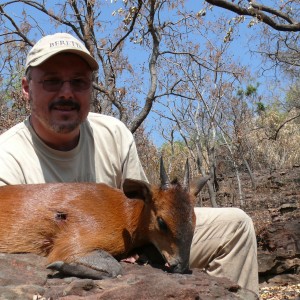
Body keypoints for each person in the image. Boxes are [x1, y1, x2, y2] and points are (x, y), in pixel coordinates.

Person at [0, 33, 259, 296]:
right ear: (26, 89)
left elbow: (148, 210)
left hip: (138, 234)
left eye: (79, 82)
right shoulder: (6, 154)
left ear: (90, 88)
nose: (66, 93)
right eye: (52, 81)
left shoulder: (114, 132)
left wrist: (137, 245)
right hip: (75, 245)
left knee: (236, 225)